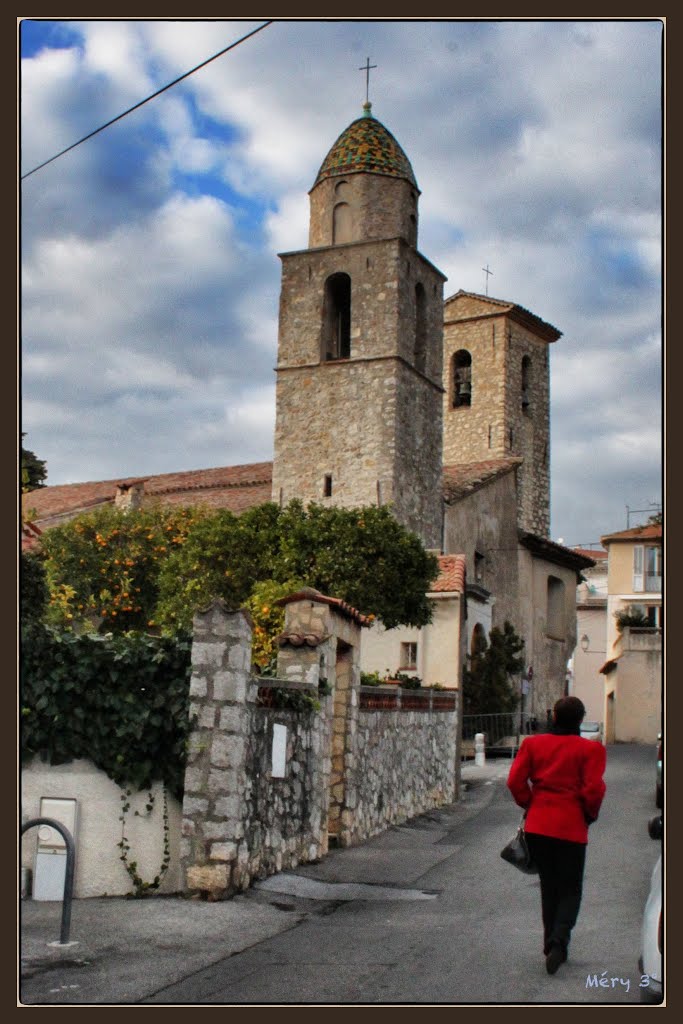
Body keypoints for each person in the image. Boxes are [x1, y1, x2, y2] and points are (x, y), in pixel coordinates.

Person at [507, 696, 606, 975]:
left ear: (553, 718)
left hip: (539, 825)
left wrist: (530, 803)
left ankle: (550, 943)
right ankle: (559, 941)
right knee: (571, 887)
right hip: (571, 826)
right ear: (581, 719)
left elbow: (515, 781)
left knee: (549, 886)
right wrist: (589, 814)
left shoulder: (533, 744)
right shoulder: (591, 750)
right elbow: (594, 790)